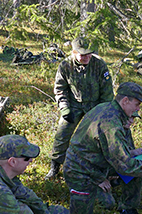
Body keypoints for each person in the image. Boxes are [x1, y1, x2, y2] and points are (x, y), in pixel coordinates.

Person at [63, 82, 142, 214]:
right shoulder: (111, 124)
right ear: (125, 101)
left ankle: (129, 212)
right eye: (137, 104)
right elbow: (125, 166)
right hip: (80, 172)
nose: (138, 109)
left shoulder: (107, 108)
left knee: (138, 165)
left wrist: (131, 153)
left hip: (98, 164)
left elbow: (109, 151)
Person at [45, 36, 114, 179]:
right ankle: (55, 166)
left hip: (95, 106)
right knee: (62, 134)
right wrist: (64, 108)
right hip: (74, 105)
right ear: (74, 52)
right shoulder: (65, 65)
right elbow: (60, 89)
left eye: (89, 53)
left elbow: (107, 93)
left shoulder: (99, 64)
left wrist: (102, 113)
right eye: (82, 55)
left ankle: (101, 169)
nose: (86, 57)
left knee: (100, 137)